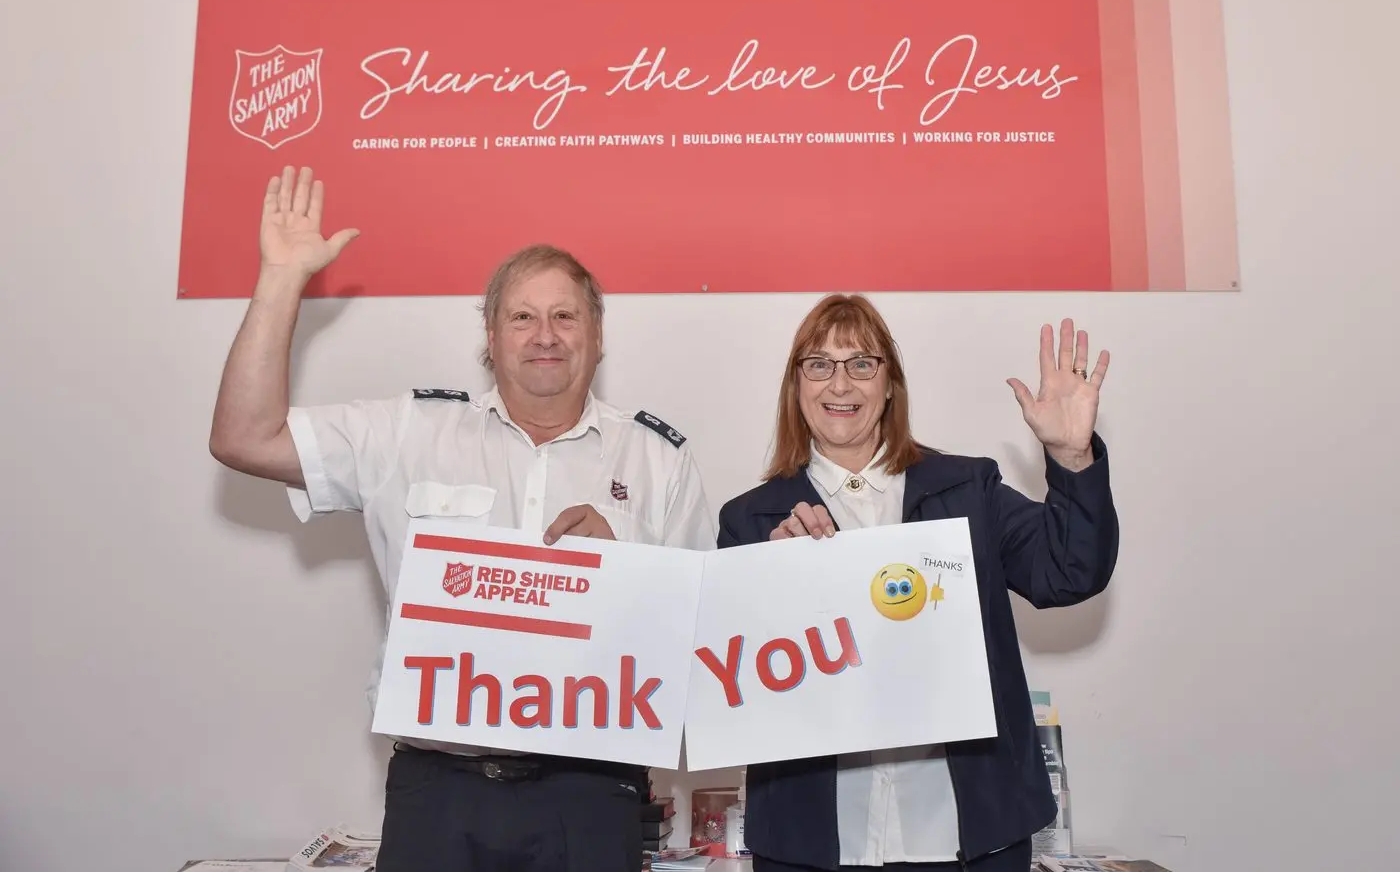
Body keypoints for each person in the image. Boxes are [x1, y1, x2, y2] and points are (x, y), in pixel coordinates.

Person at [209, 165, 717, 872]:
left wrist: (628, 572)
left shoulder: (662, 462)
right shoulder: (409, 434)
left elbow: (702, 638)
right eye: (522, 316)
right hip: (438, 794)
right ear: (490, 334)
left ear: (597, 335)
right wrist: (282, 279)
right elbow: (243, 436)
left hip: (593, 796)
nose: (546, 334)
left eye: (566, 315)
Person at [716, 294, 1120, 872]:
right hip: (811, 843)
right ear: (796, 386)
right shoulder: (751, 520)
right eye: (819, 364)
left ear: (889, 385)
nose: (841, 383)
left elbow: (1069, 572)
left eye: (862, 363)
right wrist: (771, 587)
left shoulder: (967, 491)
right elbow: (731, 687)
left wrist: (1071, 456)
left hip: (970, 835)